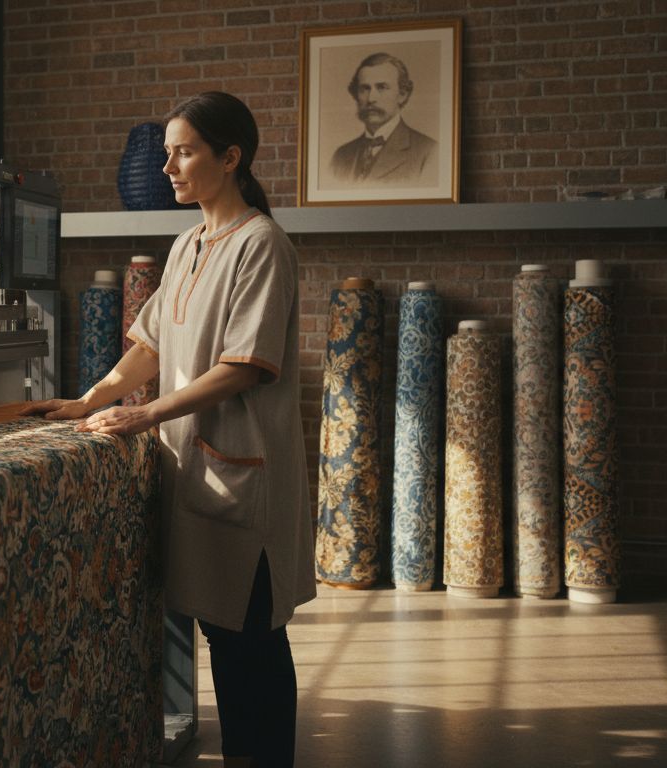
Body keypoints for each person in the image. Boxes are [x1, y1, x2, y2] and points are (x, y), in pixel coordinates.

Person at [21, 92, 312, 768]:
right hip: (198, 469)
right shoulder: (186, 244)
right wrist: (87, 398)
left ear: (230, 157)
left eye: (183, 152)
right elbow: (150, 344)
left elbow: (245, 366)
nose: (168, 167)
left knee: (252, 639)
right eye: (168, 153)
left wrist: (146, 414)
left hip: (244, 471)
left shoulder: (260, 244)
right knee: (223, 634)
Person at [329, 52, 438, 185]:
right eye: (364, 88)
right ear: (356, 94)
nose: (371, 98)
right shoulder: (340, 156)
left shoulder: (428, 152)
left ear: (402, 94)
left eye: (382, 87)